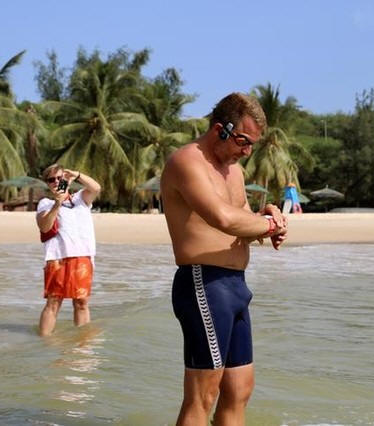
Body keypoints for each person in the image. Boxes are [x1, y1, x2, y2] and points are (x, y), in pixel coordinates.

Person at [161, 92, 287, 425]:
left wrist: (267, 220)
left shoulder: (234, 173)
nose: (246, 152)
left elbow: (243, 222)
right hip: (203, 283)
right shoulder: (187, 162)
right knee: (203, 395)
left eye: (252, 145)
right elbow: (222, 218)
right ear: (220, 129)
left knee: (239, 389)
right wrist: (268, 225)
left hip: (235, 286)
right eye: (243, 141)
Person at [36, 164, 101, 336]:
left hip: (83, 257)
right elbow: (44, 227)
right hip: (57, 258)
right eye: (51, 180)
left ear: (66, 180)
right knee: (53, 302)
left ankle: (82, 342)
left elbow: (96, 188)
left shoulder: (80, 198)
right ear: (47, 184)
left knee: (81, 303)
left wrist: (77, 175)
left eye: (60, 178)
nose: (56, 182)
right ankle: (44, 341)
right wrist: (57, 204)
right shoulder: (45, 203)